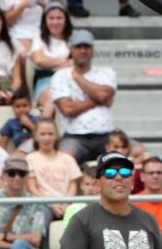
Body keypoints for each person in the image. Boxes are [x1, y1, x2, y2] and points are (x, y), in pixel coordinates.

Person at [50, 29, 116, 164]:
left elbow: (103, 95)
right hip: (75, 136)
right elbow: (67, 109)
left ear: (93, 49)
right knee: (64, 160)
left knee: (140, 152)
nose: (83, 50)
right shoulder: (60, 75)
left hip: (107, 135)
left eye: (86, 46)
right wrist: (98, 100)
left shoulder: (106, 72)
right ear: (71, 49)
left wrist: (78, 77)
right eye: (78, 47)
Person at [26, 118, 81, 221]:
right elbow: (32, 187)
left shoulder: (68, 159)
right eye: (42, 134)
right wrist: (51, 204)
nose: (47, 138)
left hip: (66, 202)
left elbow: (73, 184)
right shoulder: (30, 159)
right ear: (35, 136)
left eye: (50, 134)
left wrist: (66, 202)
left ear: (56, 136)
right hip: (43, 203)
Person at [30, 2, 73, 108]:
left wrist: (49, 64)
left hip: (69, 80)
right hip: (46, 81)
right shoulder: (39, 38)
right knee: (53, 98)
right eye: (51, 18)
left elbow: (76, 63)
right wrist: (64, 61)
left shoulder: (73, 39)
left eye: (59, 18)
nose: (55, 22)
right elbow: (38, 60)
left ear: (65, 20)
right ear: (45, 20)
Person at [0, 90, 39, 154]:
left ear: (30, 106)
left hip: (37, 151)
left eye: (24, 106)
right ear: (13, 108)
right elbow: (3, 143)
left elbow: (43, 136)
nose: (21, 109)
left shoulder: (37, 119)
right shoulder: (11, 123)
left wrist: (29, 124)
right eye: (18, 106)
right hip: (21, 153)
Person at [62, 163, 101, 230]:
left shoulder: (110, 207)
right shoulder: (72, 208)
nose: (90, 188)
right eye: (87, 184)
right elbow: (70, 236)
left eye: (94, 184)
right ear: (81, 186)